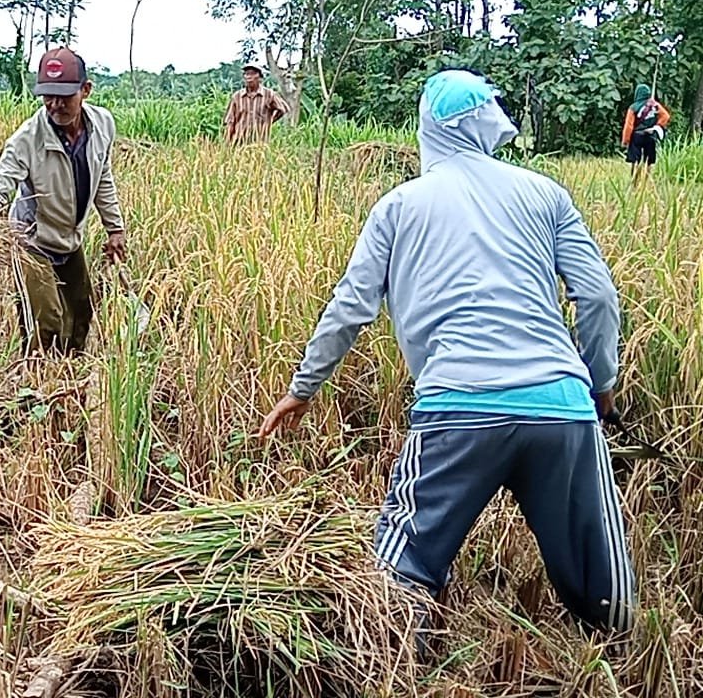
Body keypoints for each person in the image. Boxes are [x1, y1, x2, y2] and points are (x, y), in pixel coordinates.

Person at [257, 69, 635, 644]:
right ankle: (618, 659)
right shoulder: (546, 194)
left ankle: (391, 662)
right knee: (604, 594)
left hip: (457, 408)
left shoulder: (399, 205)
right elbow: (599, 296)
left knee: (398, 577)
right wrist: (600, 384)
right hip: (561, 410)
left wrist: (301, 389)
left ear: (427, 129)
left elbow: (349, 308)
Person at [0, 47, 127, 356]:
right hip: (31, 240)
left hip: (69, 238)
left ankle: (68, 375)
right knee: (46, 322)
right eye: (48, 96)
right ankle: (37, 378)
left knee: (82, 314)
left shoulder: (103, 125)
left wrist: (115, 228)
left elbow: (103, 176)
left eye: (64, 96)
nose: (55, 105)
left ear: (86, 90)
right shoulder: (26, 140)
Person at [222, 62, 290, 145]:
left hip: (260, 141)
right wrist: (227, 142)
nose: (249, 77)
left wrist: (270, 121)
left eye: (253, 74)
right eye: (247, 74)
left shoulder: (269, 94)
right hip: (240, 141)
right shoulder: (237, 97)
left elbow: (283, 109)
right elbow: (230, 121)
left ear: (260, 77)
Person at [621, 83, 671, 185]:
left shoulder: (633, 107)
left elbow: (629, 125)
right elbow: (665, 116)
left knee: (635, 160)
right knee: (649, 160)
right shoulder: (655, 105)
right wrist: (657, 126)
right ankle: (646, 181)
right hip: (650, 135)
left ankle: (634, 181)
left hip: (637, 136)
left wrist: (626, 140)